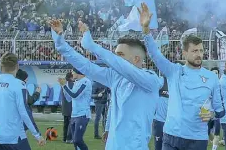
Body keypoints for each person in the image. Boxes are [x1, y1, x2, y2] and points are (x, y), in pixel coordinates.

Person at [50, 19, 162, 150]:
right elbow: (86, 66)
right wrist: (60, 43)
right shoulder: (115, 77)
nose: (115, 59)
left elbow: (121, 66)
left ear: (136, 59)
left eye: (120, 55)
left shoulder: (151, 80)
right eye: (115, 55)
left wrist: (92, 46)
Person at [138, 2, 225, 150]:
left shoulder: (212, 78)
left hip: (197, 139)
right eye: (194, 51)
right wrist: (146, 30)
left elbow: (220, 110)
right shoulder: (174, 71)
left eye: (201, 51)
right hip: (171, 136)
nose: (199, 54)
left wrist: (211, 114)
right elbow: (154, 54)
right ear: (184, 53)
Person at [0, 52, 46, 149]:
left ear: (0, 66)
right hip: (14, 138)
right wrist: (37, 135)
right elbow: (24, 112)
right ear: (17, 66)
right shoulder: (19, 85)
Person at [59, 67, 92, 150]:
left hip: (82, 114)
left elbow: (75, 95)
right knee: (75, 141)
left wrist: (64, 86)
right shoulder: (76, 82)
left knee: (77, 140)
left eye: (73, 72)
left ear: (78, 72)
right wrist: (64, 87)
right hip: (74, 115)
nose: (72, 74)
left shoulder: (86, 81)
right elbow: (69, 98)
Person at [153, 75, 169, 150]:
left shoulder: (177, 83)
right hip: (159, 121)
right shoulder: (161, 81)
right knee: (158, 147)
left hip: (171, 123)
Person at [61, 72, 74, 143]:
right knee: (70, 124)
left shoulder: (63, 84)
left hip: (64, 107)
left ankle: (64, 138)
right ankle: (69, 138)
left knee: (65, 124)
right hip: (71, 107)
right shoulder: (72, 84)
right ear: (71, 77)